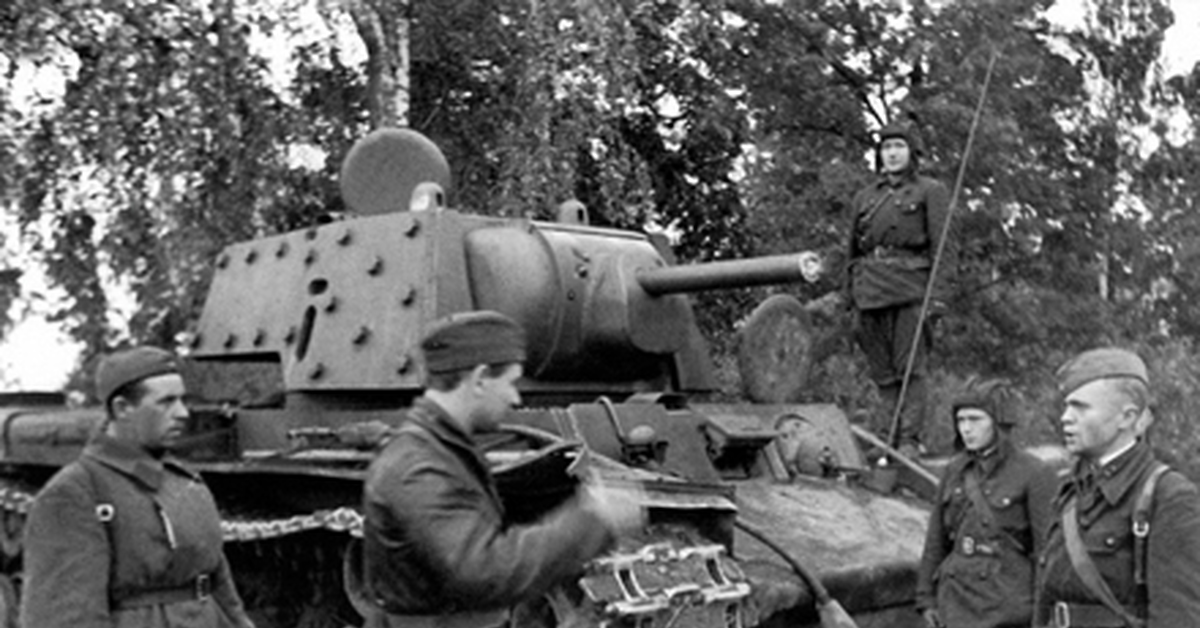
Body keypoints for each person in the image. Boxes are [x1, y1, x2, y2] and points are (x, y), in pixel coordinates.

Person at [358, 311, 644, 628]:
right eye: (510, 382)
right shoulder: (419, 465)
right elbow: (483, 570)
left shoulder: (442, 449)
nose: (515, 397)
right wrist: (592, 518)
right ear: (480, 379)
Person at [20, 346, 255, 628]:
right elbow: (66, 616)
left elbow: (219, 588)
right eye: (165, 402)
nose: (182, 413)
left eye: (182, 400)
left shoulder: (184, 481)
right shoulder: (76, 491)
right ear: (122, 409)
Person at [1034, 347, 1200, 627]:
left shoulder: (1167, 495)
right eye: (1066, 406)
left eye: (1080, 407)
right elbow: (1047, 594)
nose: (1066, 417)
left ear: (1127, 417)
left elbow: (1178, 616)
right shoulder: (1071, 489)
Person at [845, 121, 955, 455]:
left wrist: (938, 296)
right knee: (882, 370)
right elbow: (852, 251)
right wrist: (849, 296)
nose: (892, 154)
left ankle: (908, 439)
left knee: (910, 369)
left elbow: (943, 246)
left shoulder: (930, 191)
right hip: (869, 290)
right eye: (886, 148)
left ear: (912, 153)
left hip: (910, 288)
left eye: (899, 147)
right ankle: (886, 436)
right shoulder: (866, 197)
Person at [915, 378, 1057, 628]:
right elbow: (936, 541)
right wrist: (926, 600)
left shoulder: (1034, 473)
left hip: (1006, 607)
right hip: (955, 602)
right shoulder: (954, 470)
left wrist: (1042, 617)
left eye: (975, 419)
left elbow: (1046, 553)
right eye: (961, 420)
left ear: (999, 422)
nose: (966, 429)